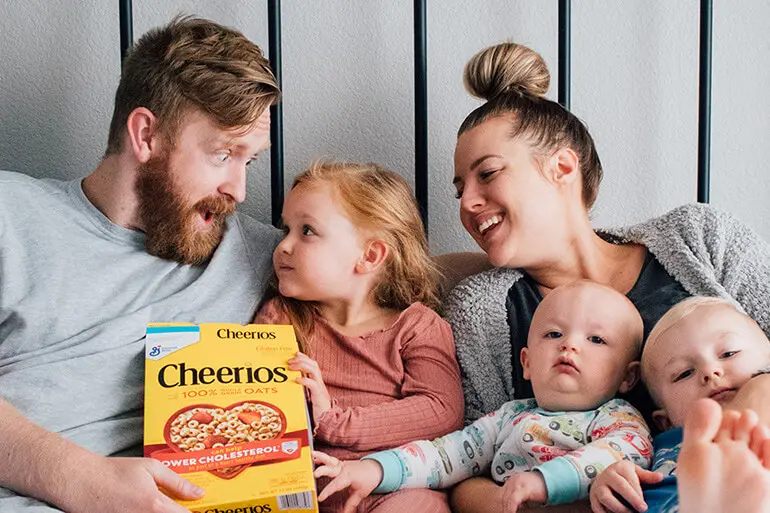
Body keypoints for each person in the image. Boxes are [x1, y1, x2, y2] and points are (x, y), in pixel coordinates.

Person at [444, 41, 770, 513]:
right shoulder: (480, 311)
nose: (468, 202)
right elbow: (464, 470)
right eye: (459, 190)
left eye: (488, 174)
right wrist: (552, 493)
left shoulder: (697, 237)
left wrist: (750, 404)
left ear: (562, 167)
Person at [0, 16, 282, 512]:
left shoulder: (271, 258)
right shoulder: (11, 215)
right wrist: (84, 480)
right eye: (223, 154)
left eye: (250, 160)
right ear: (146, 135)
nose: (239, 191)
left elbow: (399, 303)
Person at [313, 280, 653, 513]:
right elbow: (445, 456)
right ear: (527, 363)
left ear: (628, 377)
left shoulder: (616, 417)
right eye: (553, 334)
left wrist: (543, 483)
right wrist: (374, 470)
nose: (570, 344)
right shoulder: (508, 417)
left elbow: (623, 454)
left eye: (596, 340)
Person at [254, 161, 465, 513]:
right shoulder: (282, 319)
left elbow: (442, 411)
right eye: (285, 229)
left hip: (393, 488)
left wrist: (333, 421)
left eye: (307, 231)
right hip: (305, 493)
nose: (283, 246)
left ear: (370, 255)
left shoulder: (417, 326)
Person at [589, 296, 770, 513]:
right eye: (684, 373)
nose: (709, 371)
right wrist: (611, 481)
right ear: (665, 422)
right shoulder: (650, 447)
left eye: (728, 353)